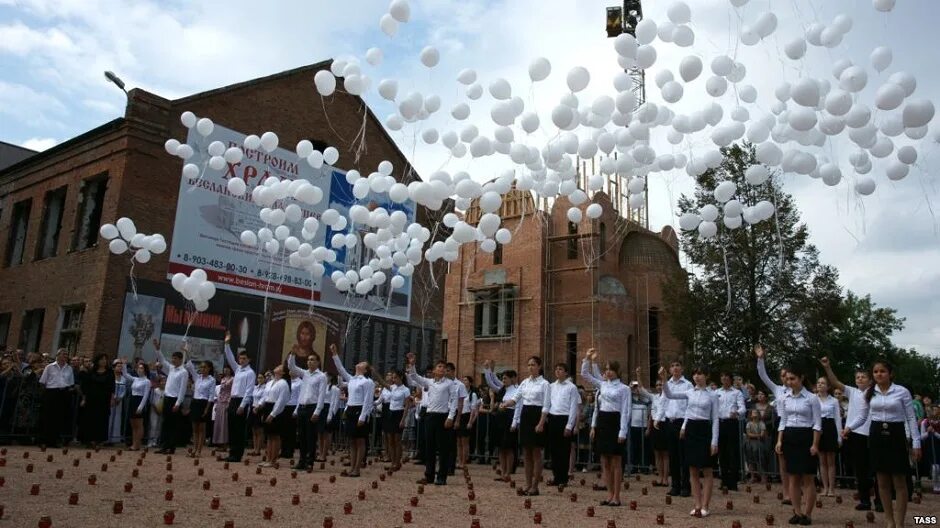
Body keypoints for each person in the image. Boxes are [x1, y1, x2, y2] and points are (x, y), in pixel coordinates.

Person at [854, 360, 922, 528]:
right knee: (882, 480)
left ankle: (900, 522)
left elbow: (911, 417)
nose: (879, 374)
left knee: (899, 480)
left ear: (890, 373)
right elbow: (862, 416)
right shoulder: (870, 392)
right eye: (876, 372)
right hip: (877, 434)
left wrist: (916, 442)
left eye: (882, 371)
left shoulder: (901, 392)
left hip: (896, 433)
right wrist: (849, 428)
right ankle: (889, 520)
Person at [820, 356, 879, 511]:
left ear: (870, 380)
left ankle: (880, 501)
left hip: (872, 433)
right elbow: (835, 382)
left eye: (863, 377)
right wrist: (827, 367)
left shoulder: (876, 393)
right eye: (857, 377)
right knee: (860, 469)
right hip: (855, 433)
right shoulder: (852, 392)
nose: (859, 379)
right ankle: (865, 500)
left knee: (875, 469)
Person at [660, 365, 720, 518]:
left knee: (706, 469)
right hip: (691, 430)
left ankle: (706, 505)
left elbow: (715, 419)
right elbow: (670, 394)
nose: (697, 377)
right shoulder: (689, 392)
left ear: (706, 376)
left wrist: (714, 441)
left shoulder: (713, 395)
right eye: (695, 374)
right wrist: (664, 379)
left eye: (700, 374)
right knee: (692, 469)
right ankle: (697, 504)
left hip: (704, 429)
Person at [581, 348, 630, 507]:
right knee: (604, 461)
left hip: (615, 422)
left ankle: (617, 496)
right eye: (607, 369)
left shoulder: (624, 389)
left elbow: (626, 411)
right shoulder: (602, 385)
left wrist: (623, 431)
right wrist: (587, 358)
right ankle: (609, 495)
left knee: (616, 461)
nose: (608, 372)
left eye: (611, 369)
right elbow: (585, 375)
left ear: (617, 371)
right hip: (602, 422)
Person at [775, 365, 821, 526]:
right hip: (790, 436)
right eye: (787, 379)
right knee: (793, 477)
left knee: (808, 477)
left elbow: (817, 423)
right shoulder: (785, 398)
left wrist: (815, 444)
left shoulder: (811, 398)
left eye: (792, 378)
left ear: (801, 378)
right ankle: (797, 511)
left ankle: (807, 514)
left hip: (806, 436)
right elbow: (783, 420)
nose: (789, 382)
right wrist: (780, 440)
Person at [406, 353, 458, 486]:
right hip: (430, 416)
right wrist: (412, 364)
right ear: (435, 370)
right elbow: (414, 377)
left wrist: (451, 417)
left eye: (444, 367)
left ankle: (442, 476)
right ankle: (429, 475)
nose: (442, 369)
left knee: (443, 448)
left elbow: (454, 400)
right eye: (439, 366)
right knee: (430, 447)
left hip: (442, 417)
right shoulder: (429, 382)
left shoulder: (449, 384)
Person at [331, 343, 375, 477]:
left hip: (360, 410)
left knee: (360, 440)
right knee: (351, 440)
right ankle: (351, 467)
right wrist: (334, 354)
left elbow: (368, 400)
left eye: (363, 363)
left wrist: (363, 416)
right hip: (350, 409)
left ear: (366, 370)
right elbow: (341, 369)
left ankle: (357, 468)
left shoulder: (367, 382)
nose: (359, 363)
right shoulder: (352, 379)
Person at [755, 344, 792, 503]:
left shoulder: (802, 391)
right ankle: (787, 493)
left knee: (795, 461)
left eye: (788, 375)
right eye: (783, 375)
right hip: (782, 426)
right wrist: (761, 358)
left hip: (797, 427)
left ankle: (797, 489)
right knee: (782, 461)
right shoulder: (778, 390)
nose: (785, 378)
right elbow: (763, 376)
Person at [509, 356, 549, 496]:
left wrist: (541, 422)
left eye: (533, 364)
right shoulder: (525, 382)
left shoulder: (544, 384)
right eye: (529, 364)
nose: (530, 367)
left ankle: (535, 485)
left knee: (536, 452)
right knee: (526, 452)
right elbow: (516, 398)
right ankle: (527, 483)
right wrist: (506, 403)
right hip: (526, 415)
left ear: (539, 366)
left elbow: (546, 405)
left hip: (537, 414)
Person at [287, 351, 327, 471]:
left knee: (311, 436)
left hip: (312, 407)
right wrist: (293, 354)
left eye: (313, 360)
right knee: (302, 436)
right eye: (308, 360)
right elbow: (291, 367)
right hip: (302, 407)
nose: (310, 361)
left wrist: (317, 411)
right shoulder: (305, 373)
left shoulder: (321, 376)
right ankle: (301, 460)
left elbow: (321, 395)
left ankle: (309, 461)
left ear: (318, 362)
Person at [658, 359, 692, 498]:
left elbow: (690, 405)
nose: (675, 368)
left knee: (683, 455)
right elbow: (663, 401)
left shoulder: (688, 384)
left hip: (682, 421)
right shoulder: (668, 384)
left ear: (682, 368)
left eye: (677, 365)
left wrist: (685, 424)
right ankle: (675, 485)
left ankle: (685, 486)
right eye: (672, 365)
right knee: (672, 455)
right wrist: (658, 417)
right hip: (669, 421)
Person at [543, 362, 580, 488]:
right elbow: (547, 402)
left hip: (564, 418)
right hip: (553, 418)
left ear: (566, 372)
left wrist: (569, 425)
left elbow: (573, 407)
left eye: (560, 369)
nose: (558, 371)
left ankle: (563, 478)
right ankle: (556, 476)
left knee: (564, 450)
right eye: (556, 369)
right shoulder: (551, 386)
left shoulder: (571, 387)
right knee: (554, 450)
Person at [482, 360, 519, 482]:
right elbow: (491, 382)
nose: (503, 381)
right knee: (501, 447)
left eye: (505, 378)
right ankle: (503, 472)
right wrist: (488, 370)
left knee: (508, 447)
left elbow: (517, 407)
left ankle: (508, 472)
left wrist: (515, 422)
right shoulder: (503, 389)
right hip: (500, 419)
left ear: (512, 379)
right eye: (502, 379)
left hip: (510, 418)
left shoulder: (517, 390)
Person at [222, 331, 256, 462]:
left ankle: (237, 454)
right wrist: (227, 343)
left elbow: (249, 391)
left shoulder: (250, 373)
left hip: (241, 401)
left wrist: (243, 406)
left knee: (239, 429)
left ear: (249, 360)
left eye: (244, 359)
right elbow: (229, 357)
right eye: (240, 358)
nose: (241, 360)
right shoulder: (237, 369)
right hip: (233, 400)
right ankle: (232, 452)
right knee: (231, 427)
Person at [38, 349, 77, 447]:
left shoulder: (69, 368)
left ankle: (54, 440)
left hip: (64, 392)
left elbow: (71, 383)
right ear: (58, 355)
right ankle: (44, 440)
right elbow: (43, 381)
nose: (65, 356)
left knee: (59, 417)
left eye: (67, 355)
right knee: (48, 416)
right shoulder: (49, 367)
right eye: (63, 354)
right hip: (51, 392)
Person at [154, 341, 188, 454]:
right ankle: (164, 446)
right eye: (172, 358)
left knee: (173, 425)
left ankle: (171, 447)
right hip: (167, 399)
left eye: (175, 358)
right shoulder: (171, 369)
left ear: (180, 359)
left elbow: (183, 390)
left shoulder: (183, 372)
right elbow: (162, 360)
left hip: (175, 400)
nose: (172, 360)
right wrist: (158, 349)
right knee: (165, 423)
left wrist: (178, 403)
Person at [375, 369, 411, 471]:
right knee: (390, 439)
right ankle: (393, 462)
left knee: (397, 440)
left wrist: (403, 420)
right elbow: (382, 382)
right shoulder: (393, 387)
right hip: (391, 413)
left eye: (395, 377)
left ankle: (397, 462)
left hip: (399, 413)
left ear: (401, 378)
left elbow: (407, 406)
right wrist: (375, 372)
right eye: (393, 377)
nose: (393, 379)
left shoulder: (405, 390)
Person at [716, 371, 746, 491]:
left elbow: (742, 407)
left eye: (726, 377)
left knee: (732, 452)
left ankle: (733, 481)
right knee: (722, 452)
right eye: (722, 376)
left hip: (731, 422)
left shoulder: (736, 393)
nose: (724, 379)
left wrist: (737, 413)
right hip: (720, 423)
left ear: (730, 379)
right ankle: (723, 479)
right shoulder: (717, 392)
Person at [78, 353, 115, 447]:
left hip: (103, 399)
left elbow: (112, 387)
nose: (103, 361)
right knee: (90, 418)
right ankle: (88, 439)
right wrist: (84, 398)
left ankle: (98, 439)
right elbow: (86, 386)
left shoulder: (110, 372)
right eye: (101, 359)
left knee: (101, 419)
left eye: (105, 359)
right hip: (91, 398)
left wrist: (112, 399)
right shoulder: (92, 372)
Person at [815, 376, 843, 497]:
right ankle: (824, 487)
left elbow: (838, 419)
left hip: (830, 427)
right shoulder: (813, 399)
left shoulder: (834, 401)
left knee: (831, 461)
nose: (820, 385)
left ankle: (832, 488)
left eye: (823, 383)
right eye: (818, 383)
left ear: (828, 386)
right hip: (818, 428)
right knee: (821, 460)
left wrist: (839, 437)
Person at [259, 365, 290, 468]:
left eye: (280, 367)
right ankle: (268, 458)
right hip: (267, 406)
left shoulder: (283, 384)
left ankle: (273, 460)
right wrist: (260, 405)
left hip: (276, 409)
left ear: (283, 372)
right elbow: (265, 396)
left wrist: (273, 414)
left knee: (275, 436)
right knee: (269, 435)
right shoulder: (269, 383)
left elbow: (281, 401)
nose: (276, 367)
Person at [185, 359, 216, 458]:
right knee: (194, 428)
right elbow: (190, 366)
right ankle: (194, 449)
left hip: (204, 403)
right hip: (195, 402)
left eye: (204, 367)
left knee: (201, 429)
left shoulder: (212, 380)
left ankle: (199, 450)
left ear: (209, 368)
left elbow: (211, 396)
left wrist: (207, 409)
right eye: (201, 367)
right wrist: (187, 351)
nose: (202, 369)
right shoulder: (197, 377)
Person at [119, 359, 151, 450]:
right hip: (132, 400)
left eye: (141, 368)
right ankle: (134, 443)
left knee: (139, 424)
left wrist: (141, 407)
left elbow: (145, 395)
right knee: (133, 425)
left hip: (139, 400)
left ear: (145, 370)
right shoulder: (135, 379)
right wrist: (124, 364)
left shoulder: (147, 381)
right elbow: (125, 375)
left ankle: (138, 444)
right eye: (138, 368)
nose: (139, 370)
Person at [457, 376, 481, 471]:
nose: (464, 381)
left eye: (466, 380)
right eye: (463, 380)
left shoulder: (473, 394)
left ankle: (464, 461)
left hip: (467, 416)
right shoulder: (460, 393)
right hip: (460, 415)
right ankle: (459, 461)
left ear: (470, 383)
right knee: (458, 441)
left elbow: (473, 409)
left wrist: (470, 421)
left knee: (464, 442)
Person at [318, 373, 340, 462]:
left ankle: (324, 454)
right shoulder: (322, 387)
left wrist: (331, 415)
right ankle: (320, 453)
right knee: (320, 433)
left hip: (328, 410)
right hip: (321, 409)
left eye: (326, 376)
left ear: (330, 377)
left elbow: (335, 403)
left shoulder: (334, 388)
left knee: (326, 434)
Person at [280, 369, 301, 459]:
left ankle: (290, 450)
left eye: (292, 369)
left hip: (293, 406)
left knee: (291, 430)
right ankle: (283, 450)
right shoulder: (286, 381)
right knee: (283, 429)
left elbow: (300, 397)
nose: (290, 371)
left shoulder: (300, 382)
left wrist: (296, 410)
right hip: (285, 406)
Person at [745, 409, 768, 483]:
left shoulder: (761, 423)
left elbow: (762, 434)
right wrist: (756, 435)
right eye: (753, 412)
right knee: (750, 460)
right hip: (750, 443)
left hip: (759, 443)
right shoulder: (749, 423)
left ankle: (763, 476)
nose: (754, 414)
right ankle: (752, 476)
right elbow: (748, 434)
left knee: (760, 459)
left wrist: (755, 436)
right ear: (750, 415)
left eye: (756, 412)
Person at [213, 365, 234, 448]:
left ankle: (225, 443)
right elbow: (220, 392)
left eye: (227, 369)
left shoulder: (233, 379)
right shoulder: (223, 379)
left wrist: (229, 402)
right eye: (224, 369)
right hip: (220, 401)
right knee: (219, 422)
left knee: (224, 422)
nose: (225, 370)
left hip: (227, 401)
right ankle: (219, 442)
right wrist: (217, 403)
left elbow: (232, 391)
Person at [248, 373, 268, 456]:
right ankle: (254, 448)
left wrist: (258, 407)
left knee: (259, 431)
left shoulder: (266, 388)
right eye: (258, 378)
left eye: (261, 378)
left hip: (260, 409)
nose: (259, 379)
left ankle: (258, 450)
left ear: (264, 379)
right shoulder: (255, 387)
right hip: (253, 408)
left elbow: (264, 399)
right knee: (254, 430)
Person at [109, 359, 128, 445]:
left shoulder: (123, 379)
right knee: (109, 417)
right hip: (110, 400)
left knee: (117, 418)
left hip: (119, 402)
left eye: (121, 366)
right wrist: (113, 397)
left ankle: (114, 438)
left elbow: (124, 390)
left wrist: (120, 398)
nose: (120, 368)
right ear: (114, 368)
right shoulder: (110, 377)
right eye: (118, 366)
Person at [148, 376, 165, 448]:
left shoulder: (166, 392)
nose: (163, 383)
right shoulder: (155, 390)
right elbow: (152, 401)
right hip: (154, 410)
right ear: (159, 382)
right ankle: (150, 441)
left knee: (159, 426)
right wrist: (156, 409)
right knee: (153, 426)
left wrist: (162, 410)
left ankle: (155, 441)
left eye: (165, 382)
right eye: (162, 381)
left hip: (162, 411)